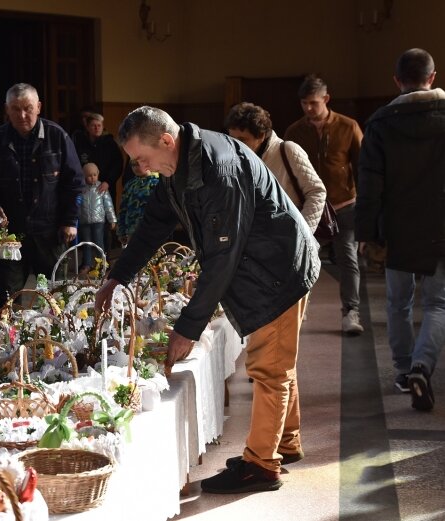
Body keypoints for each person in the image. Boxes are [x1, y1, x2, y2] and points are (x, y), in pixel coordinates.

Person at [95, 106, 320, 493]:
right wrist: (117, 276)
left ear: (166, 141)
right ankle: (286, 441)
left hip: (278, 271)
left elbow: (223, 258)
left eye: (142, 158)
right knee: (280, 360)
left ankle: (262, 466)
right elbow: (152, 226)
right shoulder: (177, 167)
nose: (142, 168)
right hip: (266, 265)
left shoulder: (220, 170)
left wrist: (188, 329)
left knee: (269, 368)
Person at [356, 48, 445, 411]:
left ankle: (405, 369)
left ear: (397, 81)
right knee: (438, 302)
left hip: (398, 226)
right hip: (441, 226)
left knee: (398, 301)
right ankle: (424, 366)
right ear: (433, 76)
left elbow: (370, 183)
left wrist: (365, 232)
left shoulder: (380, 122)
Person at [0, 83, 84, 314]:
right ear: (7, 109)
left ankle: (57, 346)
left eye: (28, 108)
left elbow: (74, 183)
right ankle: (5, 346)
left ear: (39, 107)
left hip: (51, 230)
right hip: (9, 235)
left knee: (56, 295)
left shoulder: (57, 136)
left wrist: (70, 221)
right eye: (15, 109)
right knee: (6, 296)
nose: (22, 115)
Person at [285, 75, 364, 335]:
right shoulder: (295, 131)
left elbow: (362, 167)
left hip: (344, 204)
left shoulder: (348, 126)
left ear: (326, 99)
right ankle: (300, 309)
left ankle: (351, 313)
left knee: (348, 259)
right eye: (304, 103)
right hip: (310, 207)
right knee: (304, 259)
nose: (309, 108)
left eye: (314, 103)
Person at [225, 102, 326, 234]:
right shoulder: (234, 157)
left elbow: (316, 192)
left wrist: (302, 234)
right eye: (231, 139)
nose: (235, 145)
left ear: (261, 136)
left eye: (242, 140)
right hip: (255, 239)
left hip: (288, 236)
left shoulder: (287, 150)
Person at [78, 162, 116, 273]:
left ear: (98, 174)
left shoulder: (101, 188)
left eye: (95, 174)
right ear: (84, 175)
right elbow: (76, 205)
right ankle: (87, 264)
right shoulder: (81, 189)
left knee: (99, 243)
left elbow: (108, 205)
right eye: (89, 175)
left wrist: (112, 219)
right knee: (86, 244)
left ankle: (102, 263)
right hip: (84, 221)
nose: (92, 177)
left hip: (98, 221)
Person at [117, 159, 159, 245]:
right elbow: (123, 209)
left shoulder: (156, 183)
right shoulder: (130, 184)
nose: (135, 168)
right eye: (133, 165)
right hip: (131, 230)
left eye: (138, 164)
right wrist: (121, 231)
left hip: (150, 229)